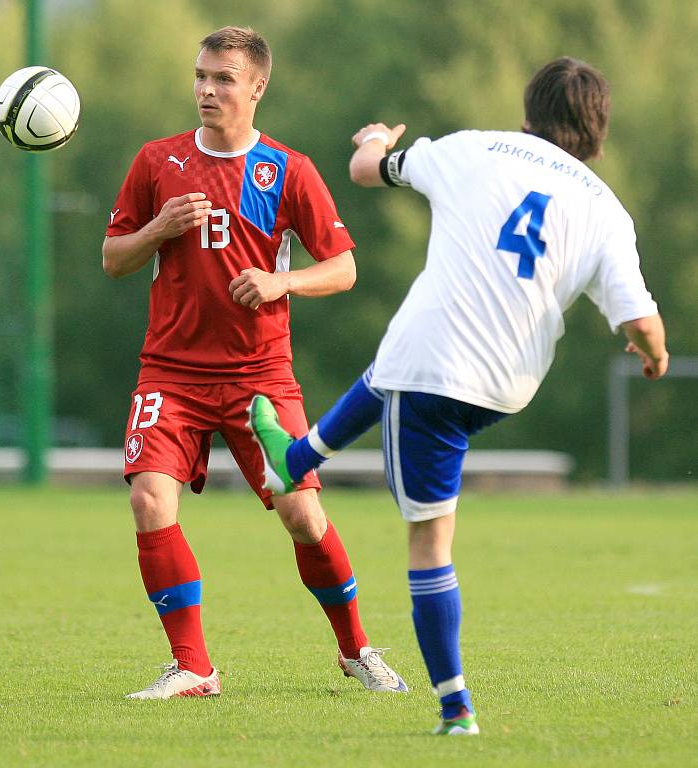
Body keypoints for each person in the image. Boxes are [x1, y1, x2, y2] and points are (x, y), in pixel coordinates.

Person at [248, 57, 668, 734]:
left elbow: (364, 171)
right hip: (508, 385)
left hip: (434, 371)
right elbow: (640, 322)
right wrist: (654, 358)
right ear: (596, 132)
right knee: (399, 359)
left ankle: (455, 708)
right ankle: (293, 459)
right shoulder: (604, 208)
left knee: (428, 536)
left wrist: (374, 141)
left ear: (527, 113)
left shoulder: (468, 150)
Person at [102, 26, 406, 699]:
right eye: (201, 76)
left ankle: (356, 650)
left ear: (257, 87)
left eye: (224, 79)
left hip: (258, 377)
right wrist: (159, 229)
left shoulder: (286, 169)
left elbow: (343, 268)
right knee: (149, 498)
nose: (207, 90)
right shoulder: (157, 161)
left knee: (302, 513)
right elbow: (114, 258)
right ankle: (193, 667)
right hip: (171, 372)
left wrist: (282, 283)